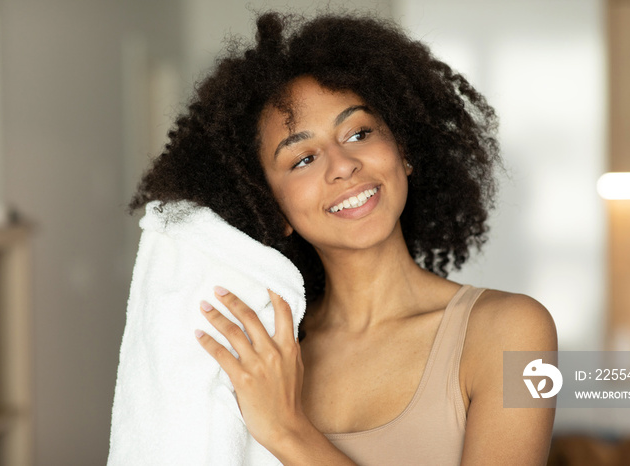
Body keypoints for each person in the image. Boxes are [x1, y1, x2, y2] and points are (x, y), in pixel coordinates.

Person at [129, 11, 557, 465]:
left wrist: (288, 432)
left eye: (358, 132)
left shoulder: (515, 330)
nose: (342, 165)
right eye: (302, 159)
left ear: (403, 151)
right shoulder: (266, 356)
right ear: (273, 210)